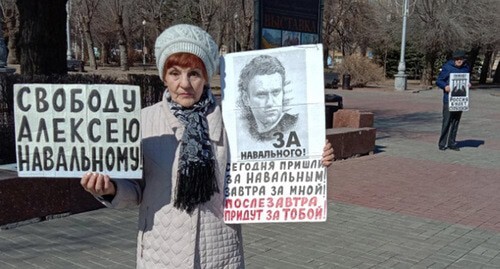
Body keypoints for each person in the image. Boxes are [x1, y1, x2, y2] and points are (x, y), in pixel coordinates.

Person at [80, 24, 335, 268]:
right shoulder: (144, 121)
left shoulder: (234, 122)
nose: (184, 84)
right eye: (174, 73)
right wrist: (110, 189)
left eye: (194, 73)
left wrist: (312, 160)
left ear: (206, 76)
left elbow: (270, 169)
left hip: (220, 254)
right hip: (161, 254)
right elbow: (135, 191)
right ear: (164, 76)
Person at [237, 54, 297, 141]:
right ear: (246, 98)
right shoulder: (243, 133)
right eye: (261, 95)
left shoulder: (299, 125)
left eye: (276, 92)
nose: (270, 103)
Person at [436, 50, 470, 151]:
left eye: (461, 59)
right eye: (457, 59)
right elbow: (439, 81)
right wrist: (445, 86)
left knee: (455, 122)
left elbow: (468, 80)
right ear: (454, 59)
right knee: (446, 121)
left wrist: (469, 84)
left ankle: (452, 142)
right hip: (449, 99)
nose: (459, 61)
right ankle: (442, 143)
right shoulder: (447, 67)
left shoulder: (466, 68)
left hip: (460, 99)